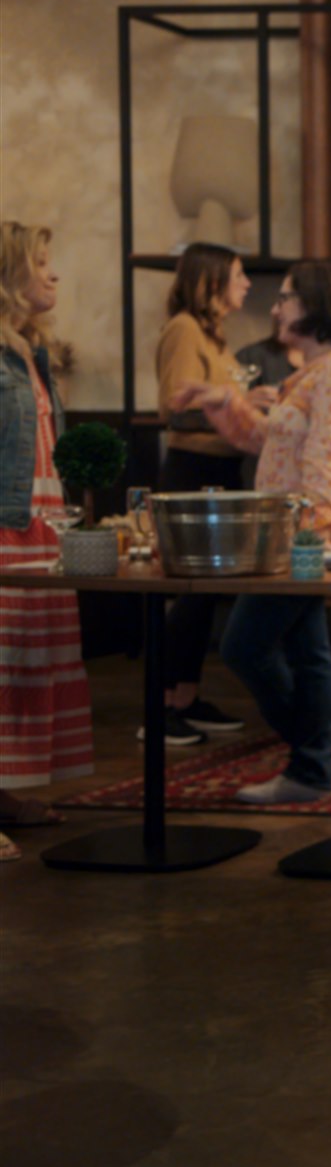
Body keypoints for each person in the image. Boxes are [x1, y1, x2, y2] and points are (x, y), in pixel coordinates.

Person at [172, 261, 331, 807]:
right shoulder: (314, 369)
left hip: (304, 537)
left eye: (287, 297)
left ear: (319, 306)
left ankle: (310, 750)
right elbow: (270, 442)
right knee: (308, 651)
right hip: (288, 534)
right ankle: (309, 768)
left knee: (244, 645)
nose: (276, 307)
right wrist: (223, 403)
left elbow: (325, 465)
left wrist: (307, 544)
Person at [0, 221, 93, 863]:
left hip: (38, 522)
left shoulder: (29, 351)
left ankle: (4, 793)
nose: (53, 273)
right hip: (5, 525)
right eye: (39, 262)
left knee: (27, 665)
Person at [153, 242, 255, 746]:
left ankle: (186, 697)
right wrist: (237, 404)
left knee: (207, 596)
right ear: (212, 280)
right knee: (189, 597)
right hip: (193, 468)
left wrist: (245, 403)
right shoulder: (184, 329)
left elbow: (220, 401)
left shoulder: (215, 338)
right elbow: (175, 410)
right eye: (238, 275)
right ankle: (162, 707)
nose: (246, 284)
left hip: (221, 467)